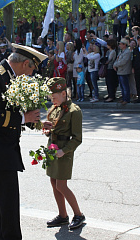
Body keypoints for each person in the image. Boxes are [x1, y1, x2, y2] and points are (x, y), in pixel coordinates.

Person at [0, 43, 47, 240]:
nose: (31, 74)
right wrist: (24, 119)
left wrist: (36, 123)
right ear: (24, 64)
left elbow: (16, 111)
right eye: (32, 69)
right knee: (8, 202)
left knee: (0, 198)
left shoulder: (7, 76)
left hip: (2, 149)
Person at [43, 77, 85, 230]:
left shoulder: (74, 111)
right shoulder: (56, 108)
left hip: (64, 152)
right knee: (54, 183)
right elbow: (54, 130)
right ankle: (62, 216)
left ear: (63, 93)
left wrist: (63, 151)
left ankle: (79, 214)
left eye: (54, 97)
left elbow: (77, 138)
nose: (52, 100)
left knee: (61, 185)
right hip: (53, 149)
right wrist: (48, 132)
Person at [113, 38, 132, 105]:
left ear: (124, 45)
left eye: (120, 44)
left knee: (125, 86)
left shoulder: (127, 52)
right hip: (120, 71)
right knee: (122, 86)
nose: (119, 45)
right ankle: (124, 98)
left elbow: (123, 61)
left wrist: (115, 65)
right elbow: (117, 59)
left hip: (124, 71)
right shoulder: (121, 51)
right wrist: (115, 65)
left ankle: (126, 99)